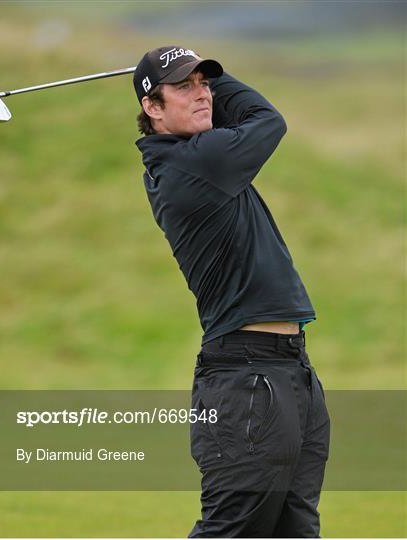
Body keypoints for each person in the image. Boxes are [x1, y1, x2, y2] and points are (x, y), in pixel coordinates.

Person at [133, 45, 330, 538]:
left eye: (206, 84)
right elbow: (267, 119)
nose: (204, 94)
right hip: (248, 378)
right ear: (152, 108)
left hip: (286, 369)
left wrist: (192, 76)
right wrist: (216, 78)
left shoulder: (197, 157)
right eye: (185, 87)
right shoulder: (198, 162)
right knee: (234, 528)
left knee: (294, 527)